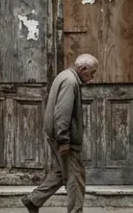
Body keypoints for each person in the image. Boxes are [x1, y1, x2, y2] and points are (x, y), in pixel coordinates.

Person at [21, 54, 98, 213]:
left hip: (57, 135)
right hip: (62, 137)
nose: (92, 77)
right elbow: (62, 113)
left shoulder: (65, 76)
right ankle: (76, 211)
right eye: (91, 73)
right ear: (82, 69)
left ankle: (33, 200)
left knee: (59, 172)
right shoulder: (70, 82)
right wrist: (64, 141)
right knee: (75, 177)